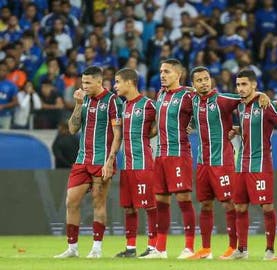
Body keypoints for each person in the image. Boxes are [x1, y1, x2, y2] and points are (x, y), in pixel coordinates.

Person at [54, 66, 122, 258]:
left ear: (99, 82)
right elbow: (73, 128)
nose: (84, 86)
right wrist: (77, 104)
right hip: (82, 159)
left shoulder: (113, 101)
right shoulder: (83, 101)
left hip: (101, 160)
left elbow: (118, 135)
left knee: (98, 203)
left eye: (88, 83)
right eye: (83, 82)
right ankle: (72, 248)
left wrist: (111, 160)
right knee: (71, 201)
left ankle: (97, 248)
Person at [228, 69, 277, 260]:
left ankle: (270, 250)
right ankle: (242, 249)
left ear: (254, 84)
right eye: (238, 85)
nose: (240, 88)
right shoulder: (240, 106)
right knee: (240, 207)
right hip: (242, 164)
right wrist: (237, 130)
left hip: (261, 163)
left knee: (267, 207)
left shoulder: (265, 105)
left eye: (244, 84)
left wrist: (264, 96)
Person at [142, 59, 196, 259]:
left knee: (183, 199)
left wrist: (192, 124)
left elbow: (205, 111)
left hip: (179, 154)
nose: (162, 75)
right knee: (161, 201)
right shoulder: (161, 94)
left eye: (167, 71)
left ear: (178, 74)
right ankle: (160, 249)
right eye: (161, 71)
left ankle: (189, 247)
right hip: (161, 155)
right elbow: (159, 124)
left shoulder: (189, 94)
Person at [187, 66, 239, 260]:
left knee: (229, 204)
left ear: (211, 80)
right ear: (193, 85)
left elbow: (246, 99)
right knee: (206, 205)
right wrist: (187, 125)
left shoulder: (222, 100)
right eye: (199, 80)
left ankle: (234, 247)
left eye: (206, 79)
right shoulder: (192, 100)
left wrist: (259, 94)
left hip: (222, 161)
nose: (203, 82)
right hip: (202, 162)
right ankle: (206, 249)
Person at [113, 68, 158, 258]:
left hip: (143, 163)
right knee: (129, 206)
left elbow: (162, 122)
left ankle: (153, 247)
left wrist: (150, 134)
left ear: (129, 82)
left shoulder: (148, 104)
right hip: (128, 164)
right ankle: (130, 248)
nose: (115, 86)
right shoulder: (123, 106)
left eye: (117, 82)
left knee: (149, 205)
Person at [0, 61, 19, 129]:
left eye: (4, 70)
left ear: (7, 72)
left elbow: (15, 102)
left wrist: (3, 106)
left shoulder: (11, 85)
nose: (1, 72)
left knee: (5, 137)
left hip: (5, 116)